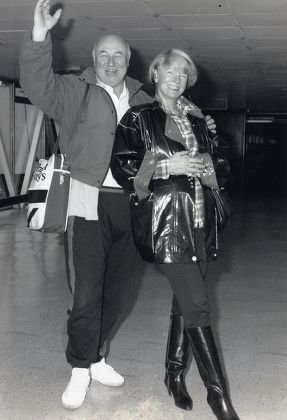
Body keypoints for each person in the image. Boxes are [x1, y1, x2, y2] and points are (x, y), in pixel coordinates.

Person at [19, 0, 217, 411]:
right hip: (87, 203)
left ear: (129, 62)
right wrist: (40, 38)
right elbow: (37, 86)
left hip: (135, 205)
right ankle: (79, 368)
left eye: (119, 56)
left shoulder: (145, 97)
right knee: (87, 292)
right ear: (93, 60)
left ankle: (98, 356)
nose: (111, 62)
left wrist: (203, 122)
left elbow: (179, 120)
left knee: (121, 292)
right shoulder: (75, 90)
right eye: (104, 55)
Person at [111, 49, 240, 420]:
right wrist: (169, 165)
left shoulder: (198, 120)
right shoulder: (138, 117)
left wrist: (209, 167)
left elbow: (224, 162)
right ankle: (219, 395)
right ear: (155, 74)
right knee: (198, 304)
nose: (176, 78)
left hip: (201, 220)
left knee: (186, 302)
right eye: (170, 71)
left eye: (184, 74)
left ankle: (173, 374)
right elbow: (123, 168)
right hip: (167, 222)